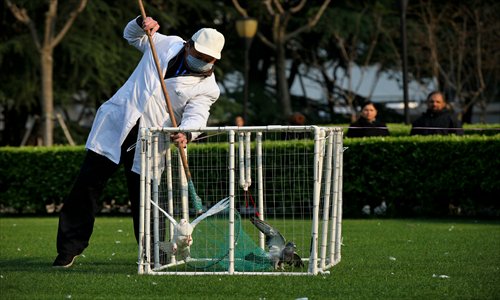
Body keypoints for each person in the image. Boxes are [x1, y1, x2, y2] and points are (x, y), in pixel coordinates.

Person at [52, 15, 225, 268]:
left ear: (215, 60)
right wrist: (140, 23)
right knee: (87, 186)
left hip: (151, 138)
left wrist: (186, 133)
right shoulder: (166, 43)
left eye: (207, 59)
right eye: (198, 54)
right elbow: (132, 36)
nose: (200, 61)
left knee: (147, 199)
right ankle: (68, 249)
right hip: (118, 122)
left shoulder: (209, 88)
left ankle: (154, 254)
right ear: (188, 45)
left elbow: (197, 115)